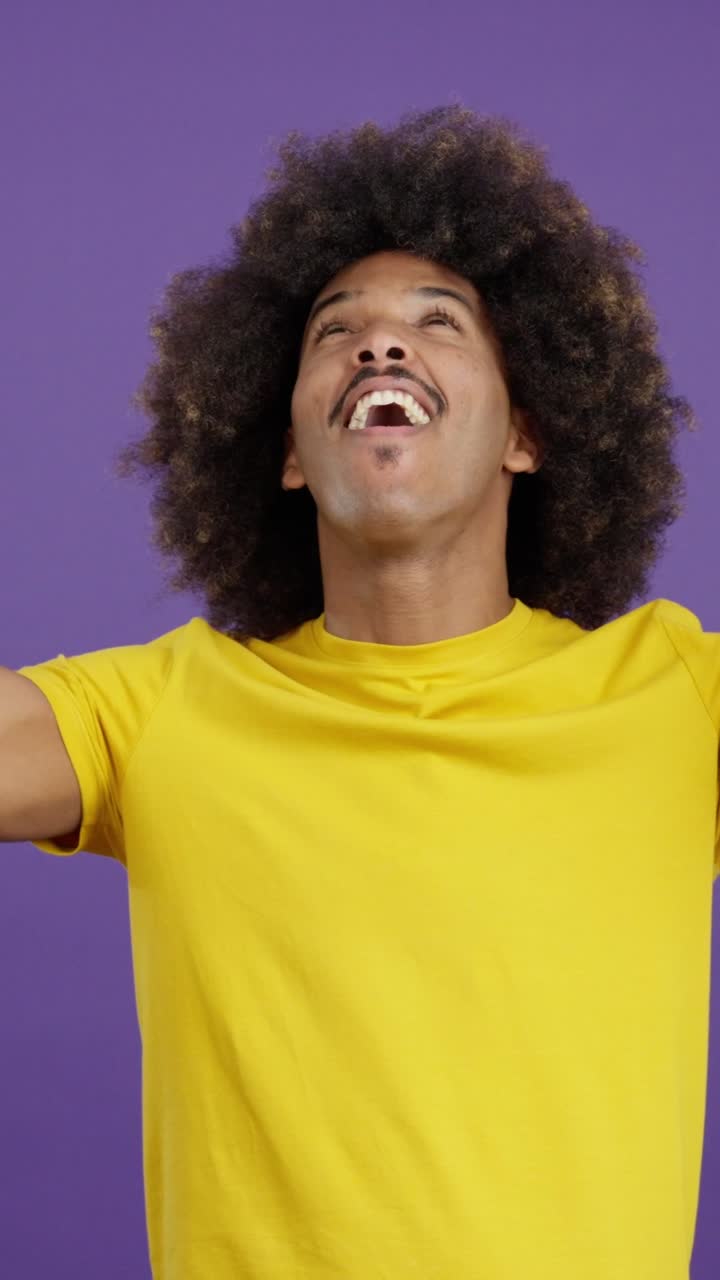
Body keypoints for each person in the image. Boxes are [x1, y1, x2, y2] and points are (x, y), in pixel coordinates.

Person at [2, 104, 718, 1280]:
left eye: (439, 323)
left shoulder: (679, 699)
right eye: (339, 332)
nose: (382, 348)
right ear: (288, 451)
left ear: (526, 434)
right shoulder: (163, 712)